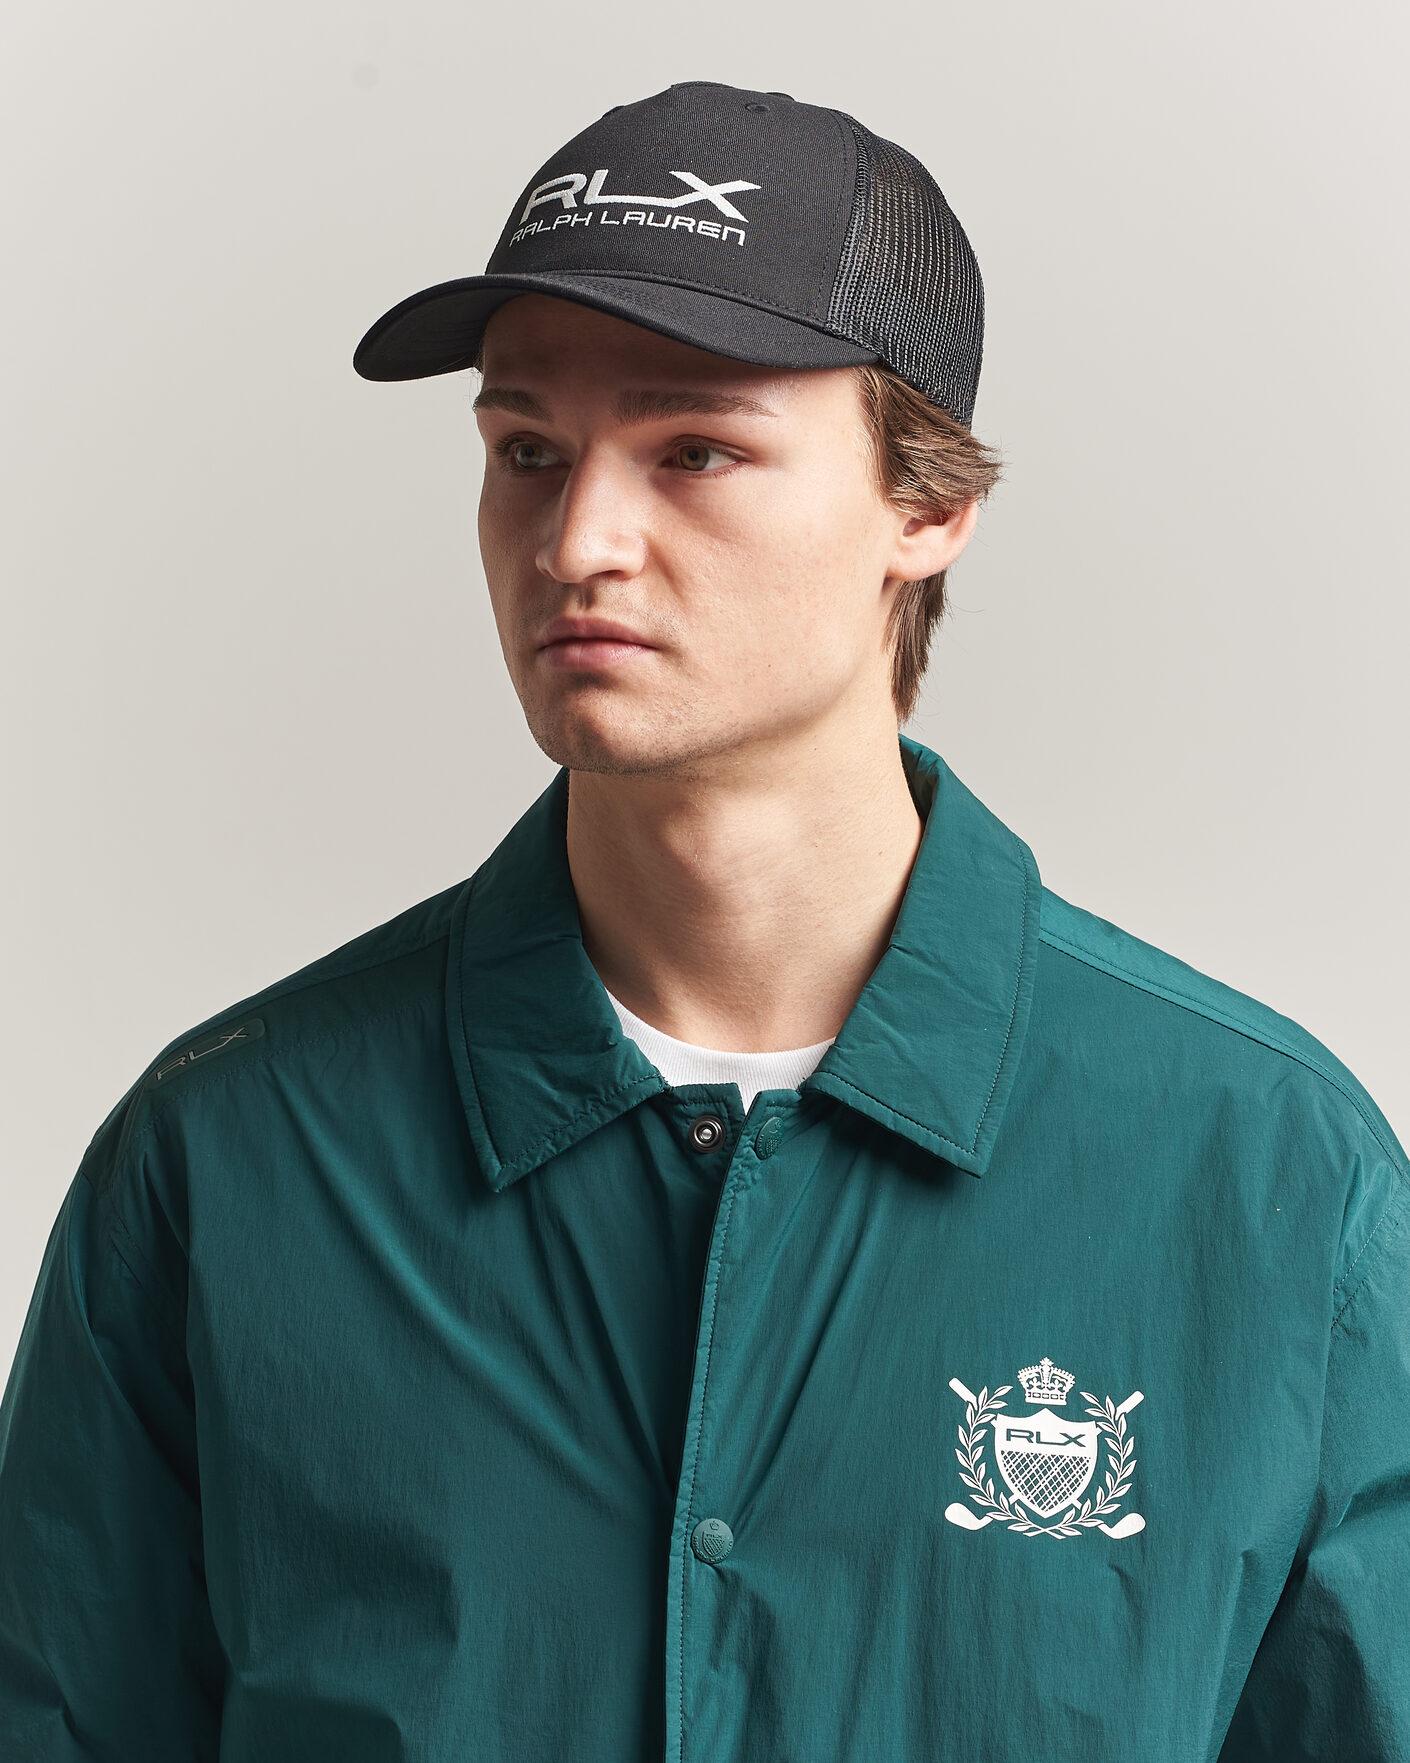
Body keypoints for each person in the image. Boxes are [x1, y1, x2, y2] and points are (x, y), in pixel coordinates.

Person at [0, 77, 1405, 1763]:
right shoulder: (228, 1158)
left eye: (694, 452)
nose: (577, 540)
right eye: (527, 452)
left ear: (925, 506)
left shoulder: (1266, 1180)